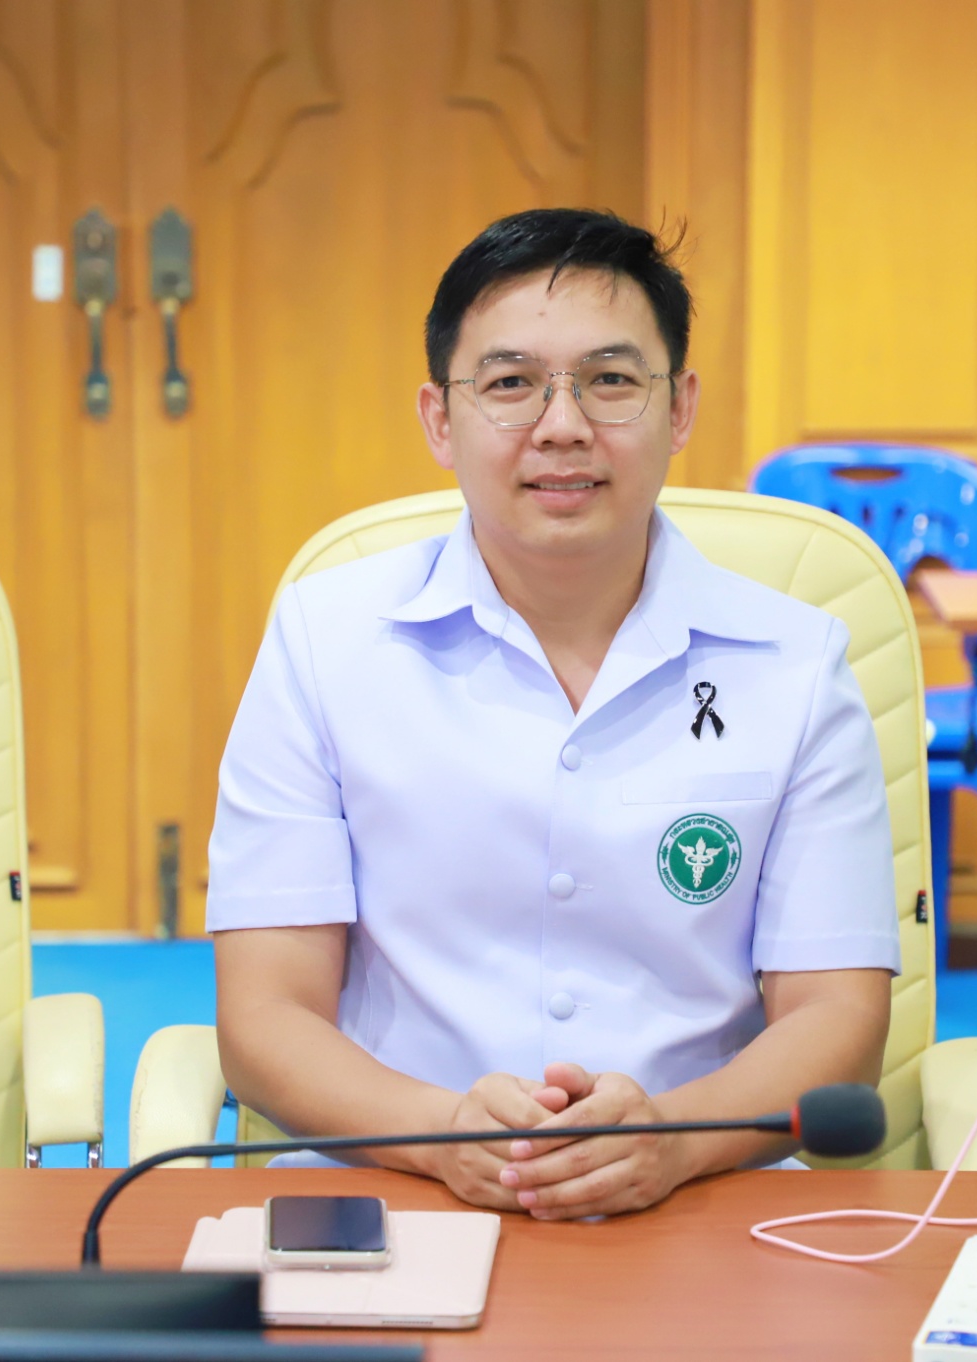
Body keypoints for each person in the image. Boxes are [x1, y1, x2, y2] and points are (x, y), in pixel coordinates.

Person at [206, 209, 898, 1219]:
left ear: (680, 408)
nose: (562, 425)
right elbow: (265, 1014)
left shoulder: (794, 665)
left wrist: (668, 1139)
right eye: (510, 384)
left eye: (610, 380)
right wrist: (441, 1133)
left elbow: (838, 1014)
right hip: (395, 1193)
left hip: (698, 1197)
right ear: (439, 420)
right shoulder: (325, 642)